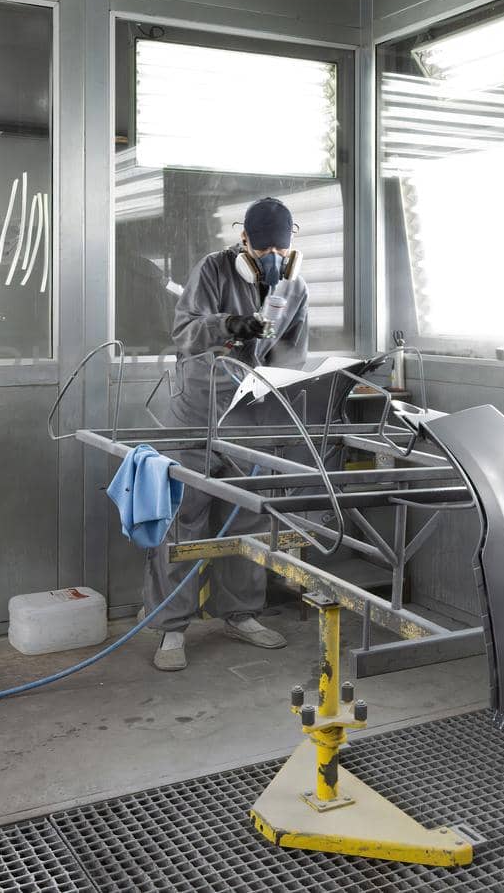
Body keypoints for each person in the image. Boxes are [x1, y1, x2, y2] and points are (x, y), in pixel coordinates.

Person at [144, 196, 310, 671]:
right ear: (245, 243)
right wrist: (229, 324)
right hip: (199, 409)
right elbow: (185, 331)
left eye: (280, 249)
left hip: (251, 414)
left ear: (291, 242)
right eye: (262, 253)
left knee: (246, 519)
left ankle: (240, 614)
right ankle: (172, 627)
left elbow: (292, 351)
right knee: (183, 516)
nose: (272, 260)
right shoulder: (213, 270)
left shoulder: (295, 287)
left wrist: (280, 388)